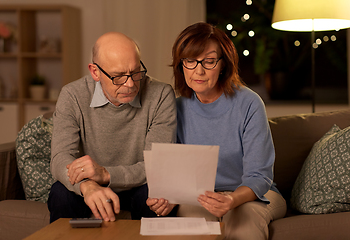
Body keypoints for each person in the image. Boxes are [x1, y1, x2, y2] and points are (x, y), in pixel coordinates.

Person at [146, 22, 287, 239]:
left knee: (243, 218)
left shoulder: (249, 103)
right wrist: (167, 198)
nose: (199, 70)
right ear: (180, 65)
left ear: (223, 65)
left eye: (209, 61)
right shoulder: (175, 108)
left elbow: (259, 176)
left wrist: (231, 200)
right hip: (200, 198)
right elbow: (175, 173)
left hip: (254, 195)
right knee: (191, 221)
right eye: (190, 61)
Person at [48, 32, 177, 223]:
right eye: (118, 77)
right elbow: (60, 157)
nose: (130, 84)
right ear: (95, 72)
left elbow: (156, 165)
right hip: (92, 186)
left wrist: (106, 175)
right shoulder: (72, 95)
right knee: (60, 193)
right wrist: (87, 186)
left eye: (135, 72)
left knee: (154, 194)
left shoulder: (161, 95)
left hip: (139, 185)